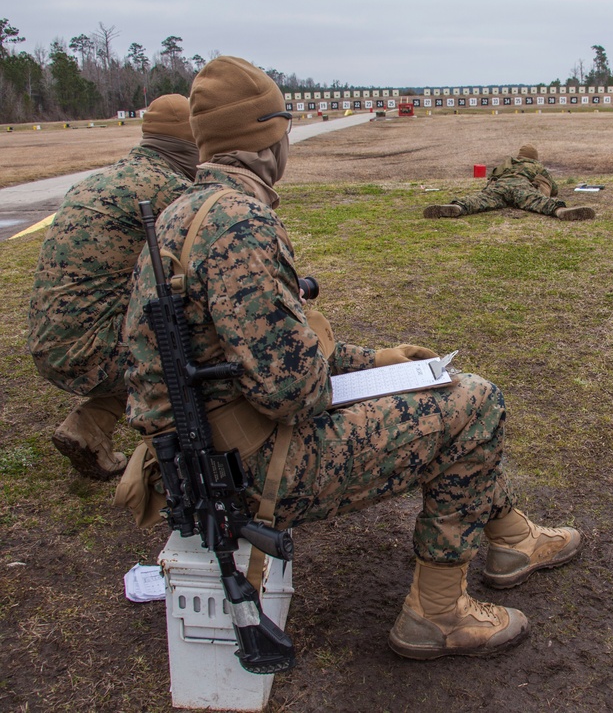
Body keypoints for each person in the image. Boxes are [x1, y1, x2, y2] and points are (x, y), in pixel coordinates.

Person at [122, 56, 581, 660]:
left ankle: (513, 539)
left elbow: (253, 359)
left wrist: (381, 360)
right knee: (476, 403)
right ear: (268, 140)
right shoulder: (239, 225)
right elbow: (292, 392)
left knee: (447, 394)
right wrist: (369, 377)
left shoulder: (185, 213)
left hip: (212, 457)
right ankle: (436, 613)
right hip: (256, 472)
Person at [27, 94, 199, 480]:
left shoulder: (101, 179)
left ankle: (89, 426)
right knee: (197, 336)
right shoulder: (171, 190)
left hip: (50, 344)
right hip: (91, 351)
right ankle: (180, 453)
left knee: (154, 321)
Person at [424, 144, 596, 220]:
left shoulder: (507, 164)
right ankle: (560, 211)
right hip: (521, 186)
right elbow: (554, 189)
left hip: (499, 187)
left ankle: (458, 207)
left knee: (478, 201)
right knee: (538, 202)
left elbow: (490, 181)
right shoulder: (535, 165)